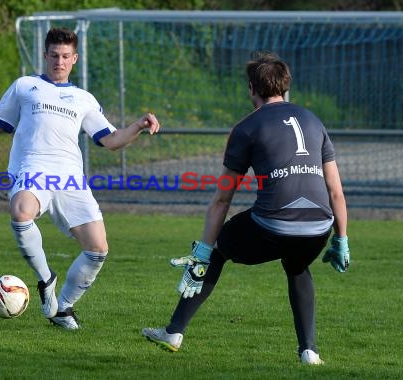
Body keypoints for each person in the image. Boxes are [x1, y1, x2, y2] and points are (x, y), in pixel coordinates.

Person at [0, 27, 160, 330]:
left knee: (98, 249)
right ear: (45, 55)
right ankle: (45, 278)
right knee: (21, 211)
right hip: (33, 169)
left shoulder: (83, 98)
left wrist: (139, 126)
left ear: (74, 58)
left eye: (65, 56)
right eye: (54, 55)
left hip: (70, 179)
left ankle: (63, 308)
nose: (59, 61)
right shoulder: (25, 86)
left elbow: (111, 139)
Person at [142, 51, 349, 365]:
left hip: (274, 225)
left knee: (216, 252)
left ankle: (174, 331)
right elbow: (335, 190)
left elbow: (223, 198)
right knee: (297, 266)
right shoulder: (313, 120)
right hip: (320, 227)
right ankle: (310, 351)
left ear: (251, 89)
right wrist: (341, 238)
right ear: (285, 87)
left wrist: (203, 250)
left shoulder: (245, 129)